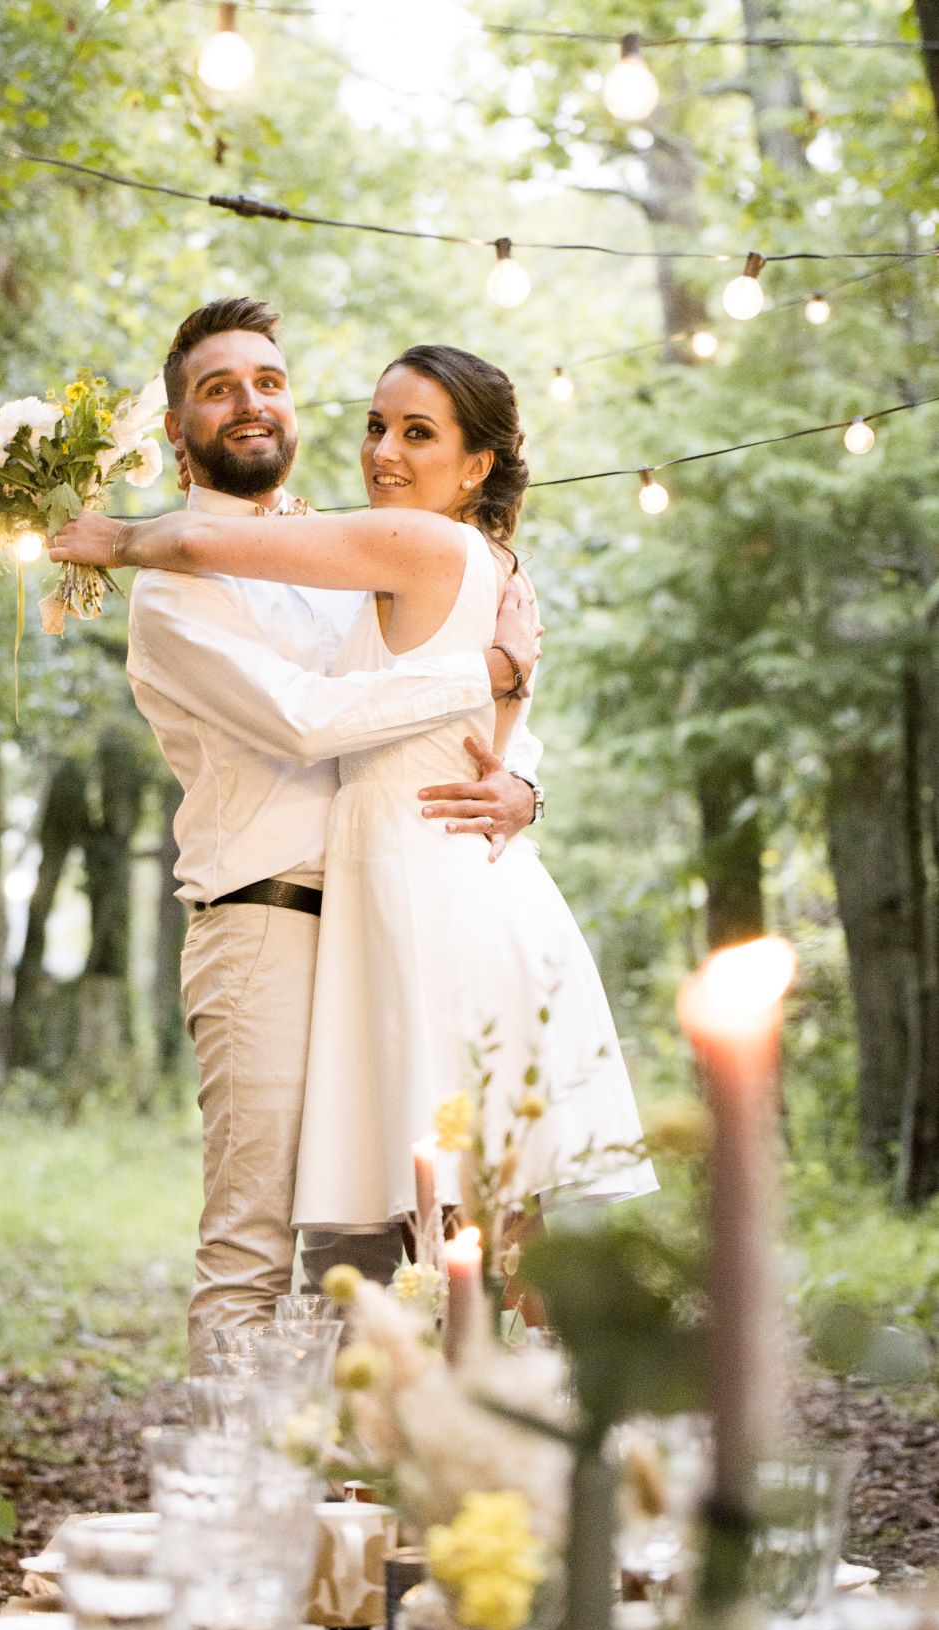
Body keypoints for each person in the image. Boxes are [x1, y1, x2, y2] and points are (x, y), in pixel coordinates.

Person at [55, 337, 656, 1259]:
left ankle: (488, 1388)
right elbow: (326, 714)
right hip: (322, 907)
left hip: (421, 891)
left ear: (478, 464)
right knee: (403, 1219)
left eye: (418, 433)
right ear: (179, 429)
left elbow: (209, 542)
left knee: (451, 1213)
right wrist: (488, 690)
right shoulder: (380, 560)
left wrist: (122, 538)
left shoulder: (407, 541)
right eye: (377, 428)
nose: (383, 453)